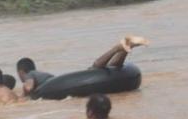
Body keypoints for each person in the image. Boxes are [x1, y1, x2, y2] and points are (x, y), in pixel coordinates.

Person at [17, 35, 149, 96]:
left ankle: (118, 48)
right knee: (112, 68)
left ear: (21, 72)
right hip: (58, 84)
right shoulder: (42, 75)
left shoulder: (30, 74)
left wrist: (24, 97)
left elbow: (29, 88)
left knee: (96, 67)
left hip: (60, 85)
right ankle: (127, 47)